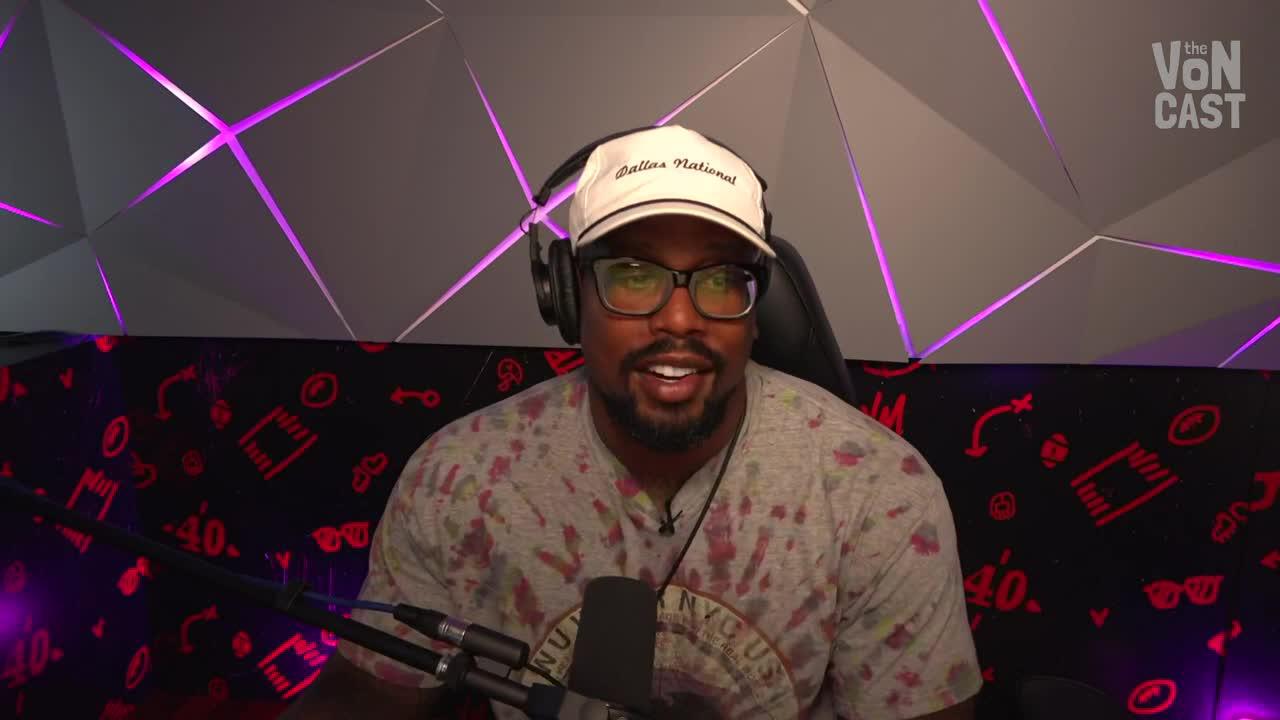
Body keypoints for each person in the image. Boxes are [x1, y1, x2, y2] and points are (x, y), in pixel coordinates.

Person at [283, 125, 982, 719]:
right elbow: (369, 696)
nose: (679, 320)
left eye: (718, 280)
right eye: (634, 276)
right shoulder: (458, 480)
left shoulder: (880, 494)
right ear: (563, 294)